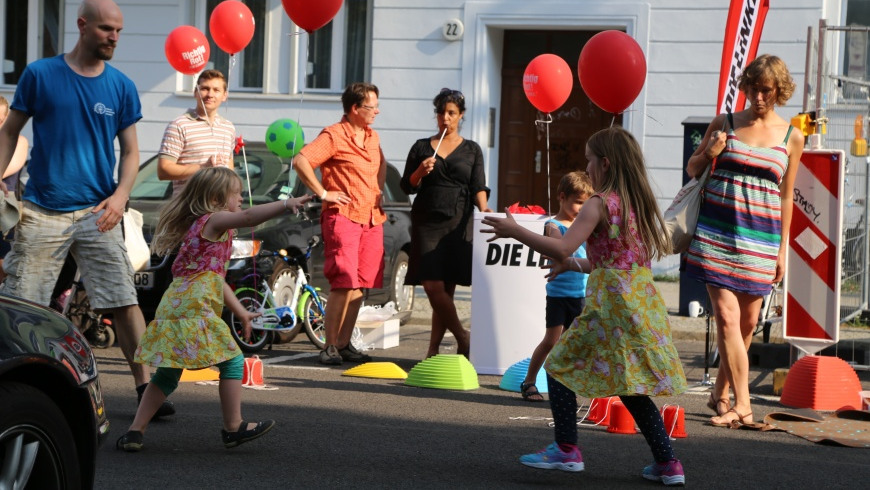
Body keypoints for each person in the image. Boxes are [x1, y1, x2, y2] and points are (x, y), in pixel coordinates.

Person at [481, 126, 687, 486]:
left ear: (604, 163)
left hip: (610, 303)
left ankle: (566, 449)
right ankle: (669, 465)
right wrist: (573, 264)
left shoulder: (599, 203)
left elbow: (562, 246)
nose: (587, 167)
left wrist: (516, 231)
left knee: (558, 366)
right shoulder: (636, 205)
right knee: (630, 383)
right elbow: (611, 261)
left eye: (589, 160)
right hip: (639, 303)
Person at [0, 0, 174, 416]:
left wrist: (119, 196)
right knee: (25, 301)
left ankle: (144, 387)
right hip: (43, 209)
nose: (114, 37)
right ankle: (19, 382)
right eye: (106, 29)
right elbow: (9, 133)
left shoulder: (121, 86)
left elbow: (131, 153)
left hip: (100, 213)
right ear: (82, 25)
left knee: (123, 300)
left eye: (119, 31)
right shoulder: (40, 74)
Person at [116, 167, 313, 451]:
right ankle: (233, 427)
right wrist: (285, 204)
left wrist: (241, 312)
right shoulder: (215, 220)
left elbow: (216, 280)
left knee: (169, 372)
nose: (242, 199)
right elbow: (247, 218)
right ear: (219, 198)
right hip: (195, 306)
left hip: (176, 303)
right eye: (238, 193)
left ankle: (135, 431)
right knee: (233, 361)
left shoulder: (200, 226)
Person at [684, 54, 803, 427]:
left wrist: (783, 250)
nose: (758, 96)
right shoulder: (725, 123)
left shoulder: (792, 136)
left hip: (762, 241)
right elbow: (693, 168)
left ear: (779, 90)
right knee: (726, 318)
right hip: (717, 233)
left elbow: (787, 196)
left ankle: (720, 393)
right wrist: (712, 152)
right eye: (752, 87)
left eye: (765, 89)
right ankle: (744, 405)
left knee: (748, 325)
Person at [292, 82, 388, 366]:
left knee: (361, 284)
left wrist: (379, 190)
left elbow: (381, 163)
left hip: (371, 217)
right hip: (343, 215)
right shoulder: (334, 135)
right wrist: (322, 192)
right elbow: (301, 160)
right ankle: (329, 345)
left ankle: (345, 344)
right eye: (372, 107)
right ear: (355, 108)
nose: (377, 112)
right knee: (344, 281)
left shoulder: (372, 137)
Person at [400, 87, 492, 359]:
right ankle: (464, 338)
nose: (445, 118)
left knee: (446, 289)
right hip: (427, 220)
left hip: (457, 222)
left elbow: (478, 185)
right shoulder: (421, 147)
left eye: (451, 113)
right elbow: (406, 185)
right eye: (441, 112)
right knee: (432, 285)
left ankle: (432, 350)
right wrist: (420, 171)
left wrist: (485, 208)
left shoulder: (472, 149)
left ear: (461, 116)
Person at [519, 171, 592, 402]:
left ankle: (570, 384)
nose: (582, 208)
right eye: (578, 202)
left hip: (581, 295)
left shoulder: (585, 226)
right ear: (562, 197)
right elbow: (555, 246)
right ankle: (529, 381)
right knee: (551, 340)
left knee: (578, 342)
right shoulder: (554, 225)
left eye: (586, 204)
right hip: (559, 295)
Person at [157, 69, 236, 196]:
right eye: (205, 88)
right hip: (189, 209)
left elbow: (229, 169)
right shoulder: (179, 125)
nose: (210, 94)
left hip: (220, 208)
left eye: (216, 90)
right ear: (195, 92)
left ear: (224, 95)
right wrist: (203, 168)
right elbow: (163, 170)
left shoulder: (228, 127)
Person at [0, 95, 29, 284]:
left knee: (3, 265)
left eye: (1, 117)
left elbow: (9, 167)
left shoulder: (18, 141)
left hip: (4, 213)